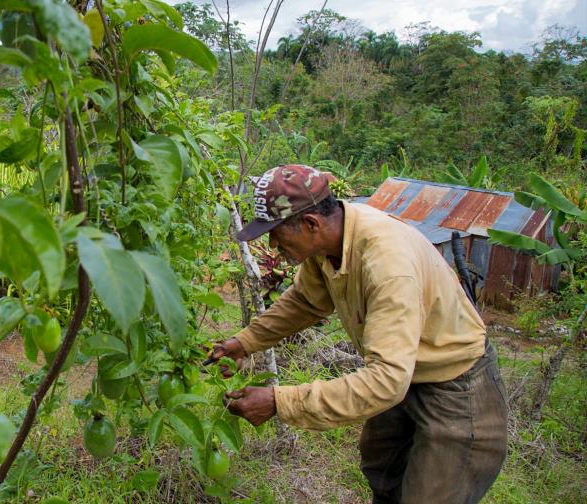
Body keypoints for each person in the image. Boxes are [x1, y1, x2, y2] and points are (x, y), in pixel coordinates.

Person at [209, 164, 508, 503]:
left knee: (431, 494)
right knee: (383, 468)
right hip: (405, 372)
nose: (274, 245)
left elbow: (386, 381)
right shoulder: (329, 243)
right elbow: (306, 302)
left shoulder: (386, 266)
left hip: (455, 383)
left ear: (310, 224)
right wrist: (244, 343)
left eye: (276, 234)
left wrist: (280, 402)